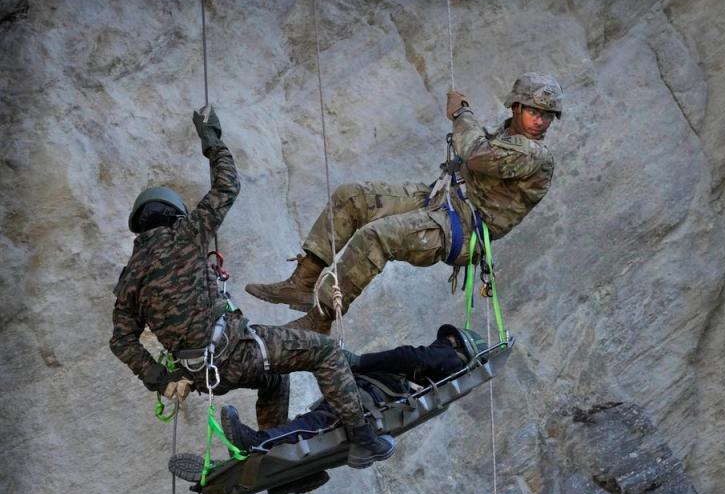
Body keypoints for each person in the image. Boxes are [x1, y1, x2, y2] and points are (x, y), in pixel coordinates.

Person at [109, 106, 394, 469]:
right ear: (174, 213)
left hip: (201, 375)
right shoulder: (185, 233)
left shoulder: (129, 278)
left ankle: (276, 457)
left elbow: (120, 340)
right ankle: (364, 439)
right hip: (236, 352)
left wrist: (162, 380)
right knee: (324, 352)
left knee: (274, 376)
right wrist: (212, 141)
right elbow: (228, 184)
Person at [244, 72, 563, 333]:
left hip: (462, 231)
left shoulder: (534, 155)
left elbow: (477, 155)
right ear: (516, 108)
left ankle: (319, 320)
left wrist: (462, 114)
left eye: (547, 116)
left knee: (376, 237)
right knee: (353, 197)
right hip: (445, 202)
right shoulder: (509, 136)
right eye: (535, 112)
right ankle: (303, 281)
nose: (541, 122)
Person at [219, 325, 485, 454]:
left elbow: (412, 356)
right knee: (314, 423)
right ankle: (282, 469)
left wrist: (360, 361)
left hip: (365, 399)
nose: (442, 343)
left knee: (318, 422)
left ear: (459, 348)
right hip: (367, 398)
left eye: (448, 341)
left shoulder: (449, 358)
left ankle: (257, 442)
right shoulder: (427, 386)